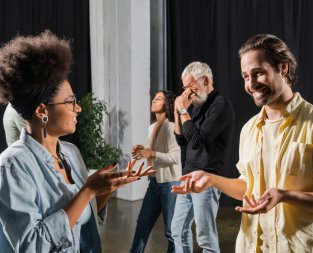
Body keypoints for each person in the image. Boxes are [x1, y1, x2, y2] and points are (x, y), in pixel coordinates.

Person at [172, 34, 313, 253]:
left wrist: (284, 195)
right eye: (245, 76)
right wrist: (212, 179)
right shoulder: (250, 129)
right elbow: (248, 187)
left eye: (258, 73)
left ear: (284, 68)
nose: (250, 84)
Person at [0, 31, 154, 253]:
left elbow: (84, 217)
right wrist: (88, 190)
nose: (78, 108)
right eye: (71, 102)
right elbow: (31, 246)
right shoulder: (12, 168)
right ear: (42, 110)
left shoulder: (71, 153)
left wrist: (108, 188)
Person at [171, 61, 235, 253]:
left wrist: (183, 111)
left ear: (204, 80)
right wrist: (177, 111)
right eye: (184, 89)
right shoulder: (197, 105)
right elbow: (183, 141)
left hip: (206, 179)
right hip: (187, 176)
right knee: (177, 230)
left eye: (190, 87)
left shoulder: (221, 105)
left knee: (205, 237)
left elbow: (197, 140)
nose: (187, 93)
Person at [129, 90, 181, 253]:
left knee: (171, 232)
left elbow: (175, 157)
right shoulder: (152, 127)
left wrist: (150, 153)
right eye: (154, 98)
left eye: (158, 99)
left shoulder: (172, 127)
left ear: (167, 105)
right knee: (142, 224)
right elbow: (156, 153)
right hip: (154, 183)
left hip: (170, 185)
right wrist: (143, 149)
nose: (154, 100)